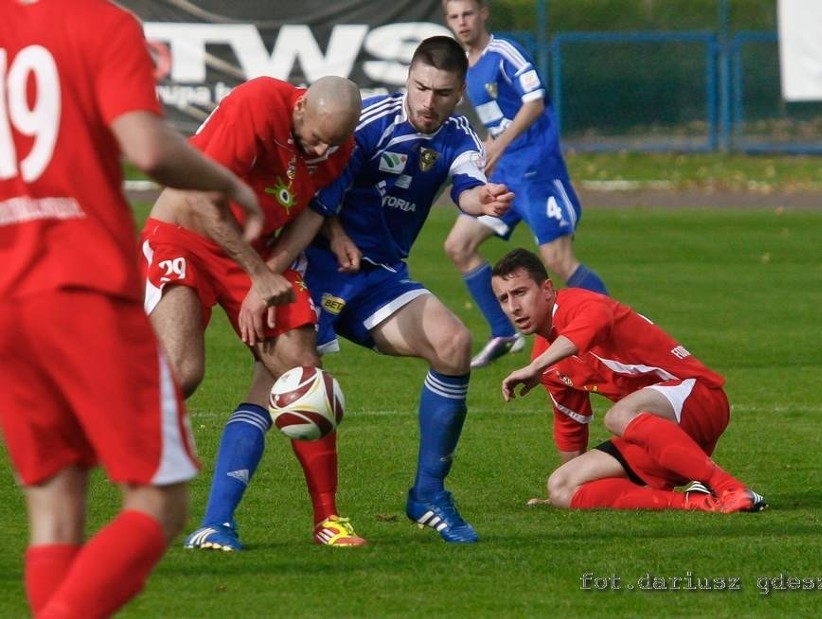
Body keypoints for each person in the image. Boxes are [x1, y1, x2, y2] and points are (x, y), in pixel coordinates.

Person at [0, 0, 265, 616]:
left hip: (9, 296)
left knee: (55, 506)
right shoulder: (101, 22)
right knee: (159, 500)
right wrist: (227, 182)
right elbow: (146, 146)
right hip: (82, 289)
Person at [237, 35, 514, 543]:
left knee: (454, 344)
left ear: (460, 93)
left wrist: (484, 200)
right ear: (408, 77)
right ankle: (218, 521)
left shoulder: (460, 137)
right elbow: (314, 196)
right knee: (279, 386)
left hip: (378, 277)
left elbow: (467, 187)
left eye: (443, 93)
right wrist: (328, 239)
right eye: (421, 87)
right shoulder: (368, 123)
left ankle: (428, 495)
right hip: (313, 268)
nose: (429, 102)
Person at [139, 75, 365, 550]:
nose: (322, 149)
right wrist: (258, 275)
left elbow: (311, 215)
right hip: (184, 232)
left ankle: (324, 520)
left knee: (303, 371)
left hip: (254, 253)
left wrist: (269, 275)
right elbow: (202, 197)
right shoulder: (257, 103)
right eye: (317, 137)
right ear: (300, 105)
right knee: (183, 373)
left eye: (335, 142)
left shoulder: (338, 147)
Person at [493, 248, 767, 513]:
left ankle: (729, 487)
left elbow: (597, 318)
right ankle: (696, 502)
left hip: (699, 397)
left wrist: (536, 367)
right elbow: (570, 428)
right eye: (504, 299)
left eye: (520, 292)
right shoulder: (546, 358)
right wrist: (572, 484)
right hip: (661, 433)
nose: (514, 307)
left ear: (547, 290)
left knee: (619, 415)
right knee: (561, 487)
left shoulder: (575, 304)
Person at [443, 0, 608, 369]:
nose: (462, 22)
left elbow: (535, 101)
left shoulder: (503, 52)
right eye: (454, 17)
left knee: (557, 260)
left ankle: (611, 330)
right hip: (504, 175)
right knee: (458, 245)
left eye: (467, 14)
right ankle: (504, 332)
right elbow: (498, 123)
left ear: (483, 13)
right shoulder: (467, 67)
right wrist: (483, 152)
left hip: (537, 170)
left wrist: (500, 145)